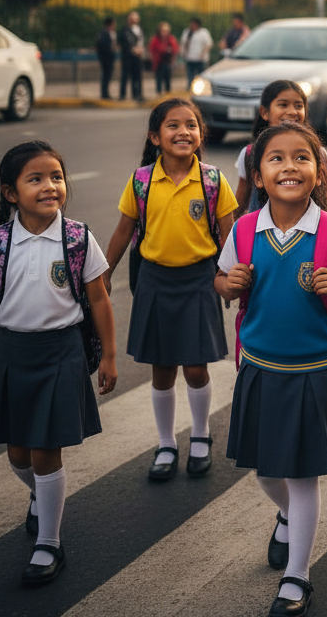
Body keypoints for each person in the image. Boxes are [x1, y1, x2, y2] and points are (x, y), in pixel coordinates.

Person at [215, 121, 327, 617]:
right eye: (276, 158)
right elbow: (221, 283)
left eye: (302, 157)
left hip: (314, 371)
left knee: (304, 475)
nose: (290, 166)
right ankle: (288, 516)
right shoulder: (244, 230)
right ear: (258, 176)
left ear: (319, 169)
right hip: (260, 368)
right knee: (267, 470)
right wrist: (229, 282)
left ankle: (297, 576)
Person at [0, 141, 117, 587]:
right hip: (13, 354)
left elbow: (99, 297)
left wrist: (110, 355)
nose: (50, 186)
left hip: (61, 353)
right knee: (17, 453)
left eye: (56, 177)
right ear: (11, 193)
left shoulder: (77, 238)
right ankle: (42, 496)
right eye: (35, 179)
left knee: (44, 451)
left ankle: (49, 544)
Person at [104, 98, 238, 482]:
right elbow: (123, 230)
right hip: (155, 281)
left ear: (201, 134)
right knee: (162, 370)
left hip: (199, 280)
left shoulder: (213, 180)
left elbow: (230, 235)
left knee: (196, 368)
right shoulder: (142, 180)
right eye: (173, 126)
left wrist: (233, 278)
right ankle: (166, 443)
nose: (184, 132)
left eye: (192, 125)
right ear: (155, 136)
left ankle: (200, 435)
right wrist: (105, 273)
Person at [232, 81, 327, 218]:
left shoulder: (318, 154)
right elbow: (240, 202)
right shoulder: (249, 155)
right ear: (265, 112)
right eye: (283, 105)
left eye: (298, 106)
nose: (292, 112)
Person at [118, 11, 145, 102]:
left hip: (137, 57)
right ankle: (122, 95)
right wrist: (133, 50)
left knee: (137, 76)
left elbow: (141, 41)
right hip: (127, 57)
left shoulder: (139, 29)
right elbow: (124, 43)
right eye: (132, 19)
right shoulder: (124, 30)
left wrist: (140, 50)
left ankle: (137, 94)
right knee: (125, 76)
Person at [181, 18, 213, 88]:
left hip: (200, 59)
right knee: (190, 75)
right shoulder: (187, 32)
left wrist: (202, 54)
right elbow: (183, 43)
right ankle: (190, 87)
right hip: (190, 58)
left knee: (201, 75)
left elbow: (208, 44)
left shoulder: (203, 32)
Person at [149, 22, 179, 96]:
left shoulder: (171, 39)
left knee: (167, 79)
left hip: (168, 62)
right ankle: (159, 93)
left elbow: (175, 49)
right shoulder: (156, 39)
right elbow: (153, 49)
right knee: (159, 79)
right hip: (159, 62)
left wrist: (170, 51)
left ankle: (167, 93)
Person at [95, 17, 118, 99]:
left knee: (108, 76)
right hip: (106, 59)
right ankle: (104, 94)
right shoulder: (104, 34)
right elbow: (102, 47)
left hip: (110, 58)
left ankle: (106, 93)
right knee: (105, 76)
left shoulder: (112, 33)